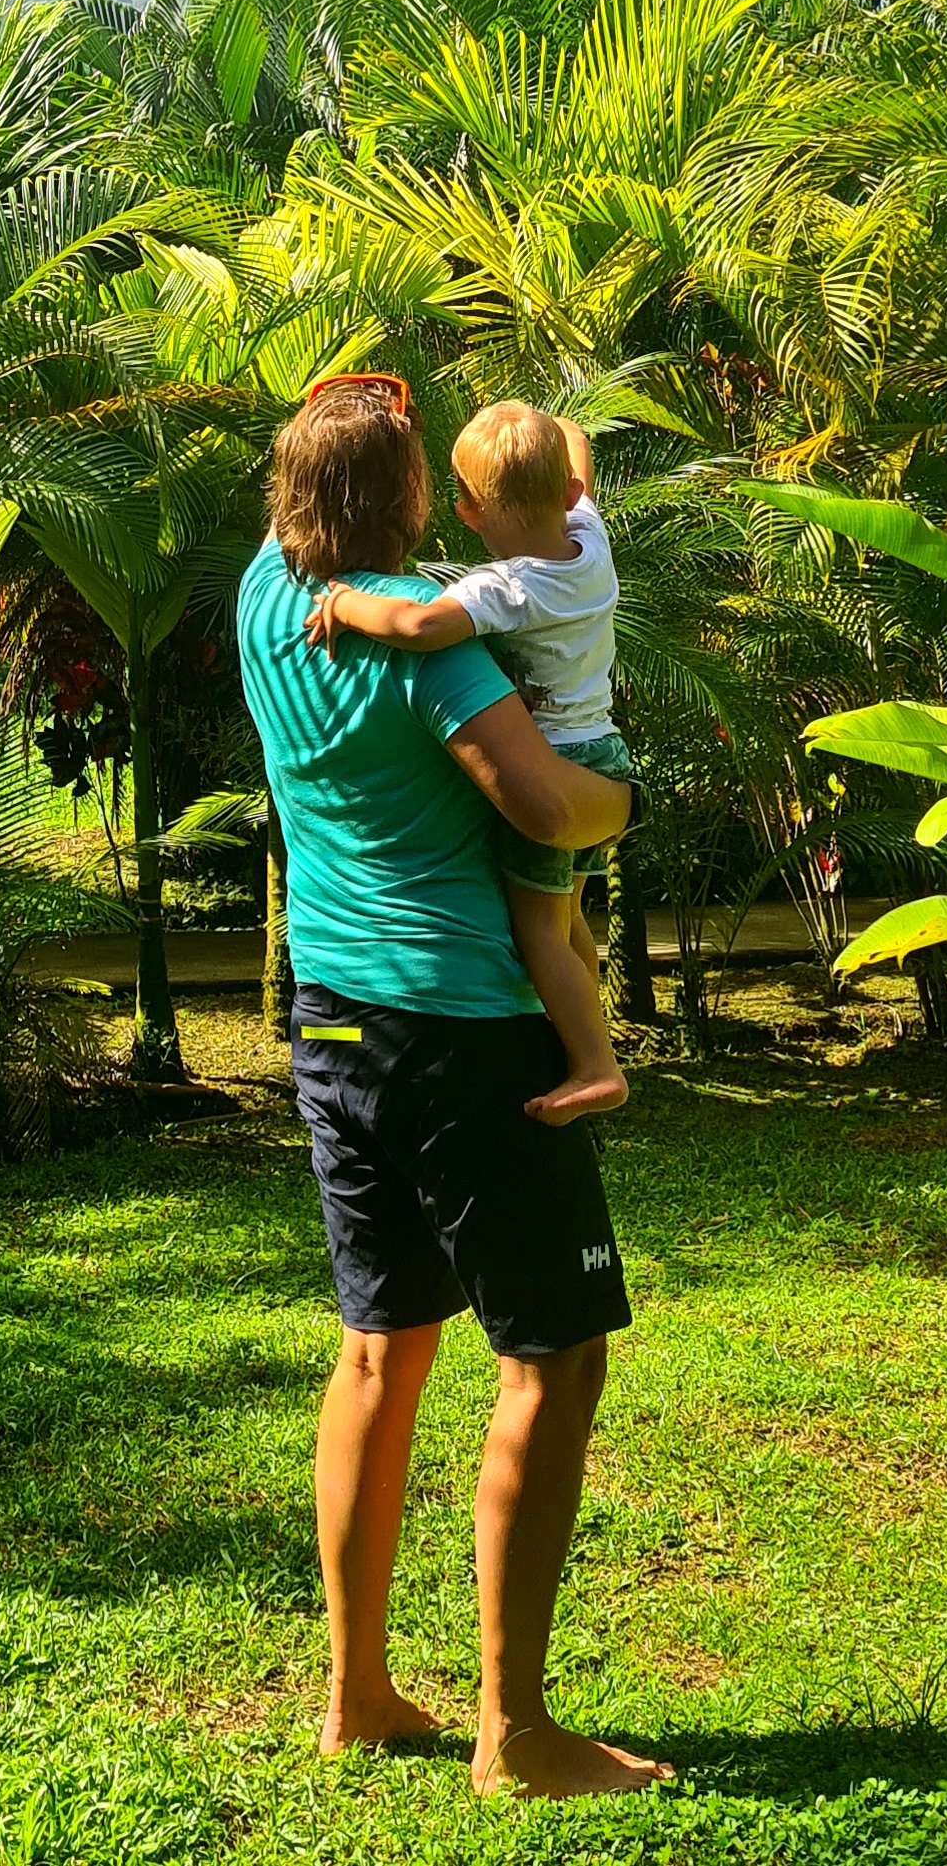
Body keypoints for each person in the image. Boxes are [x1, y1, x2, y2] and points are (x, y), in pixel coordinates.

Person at [236, 370, 668, 1802]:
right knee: (553, 1356)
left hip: (335, 1021)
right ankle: (517, 1732)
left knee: (380, 1345)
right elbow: (549, 805)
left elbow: (337, 485)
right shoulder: (443, 656)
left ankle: (358, 1693)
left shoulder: (260, 594)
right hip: (466, 1028)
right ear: (418, 502)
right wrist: (625, 799)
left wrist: (352, 414)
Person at [301, 402, 631, 1124]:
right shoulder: (589, 536)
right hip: (602, 747)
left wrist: (348, 605)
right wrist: (542, 429)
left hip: (555, 759)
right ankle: (588, 1041)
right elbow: (576, 443)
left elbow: (420, 625)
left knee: (538, 930)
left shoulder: (506, 587)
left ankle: (596, 1064)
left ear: (467, 509)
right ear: (571, 491)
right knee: (566, 917)